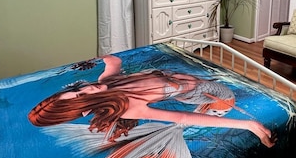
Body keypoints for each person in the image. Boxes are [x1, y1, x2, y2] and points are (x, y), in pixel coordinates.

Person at [29, 54, 276, 147]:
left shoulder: (109, 82)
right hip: (201, 92)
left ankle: (209, 111)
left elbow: (114, 62)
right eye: (82, 97)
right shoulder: (127, 107)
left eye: (77, 88)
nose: (88, 87)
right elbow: (180, 117)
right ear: (85, 111)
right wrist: (249, 125)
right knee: (224, 100)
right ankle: (212, 115)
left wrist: (100, 57)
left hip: (189, 82)